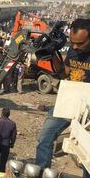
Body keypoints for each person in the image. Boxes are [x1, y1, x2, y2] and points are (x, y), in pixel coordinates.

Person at [35, 19, 90, 178]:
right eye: (72, 42)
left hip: (88, 103)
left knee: (87, 149)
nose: (75, 47)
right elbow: (63, 73)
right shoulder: (73, 51)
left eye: (80, 43)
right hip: (69, 99)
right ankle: (41, 173)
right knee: (44, 138)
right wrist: (51, 54)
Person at [0, 107, 17, 172]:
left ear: (2, 113)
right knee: (3, 160)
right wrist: (12, 143)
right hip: (6, 143)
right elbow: (14, 136)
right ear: (9, 114)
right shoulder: (12, 123)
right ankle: (1, 172)